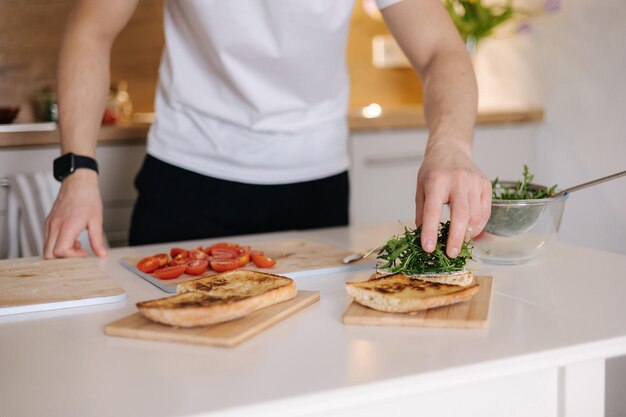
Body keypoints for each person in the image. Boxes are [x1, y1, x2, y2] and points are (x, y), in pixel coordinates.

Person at [43, 0, 492, 260]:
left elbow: (440, 50)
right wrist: (77, 169)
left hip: (314, 190)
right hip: (185, 179)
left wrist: (451, 144)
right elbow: (91, 29)